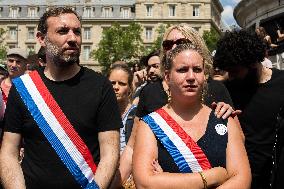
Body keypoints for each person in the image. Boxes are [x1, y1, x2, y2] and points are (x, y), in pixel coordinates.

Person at [0, 7, 121, 189]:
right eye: (63, 31)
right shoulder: (24, 88)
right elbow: (9, 151)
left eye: (77, 32)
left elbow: (110, 154)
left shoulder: (101, 86)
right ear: (42, 39)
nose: (73, 38)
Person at [133, 43, 251, 188]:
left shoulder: (225, 120)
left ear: (205, 75)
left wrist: (167, 181)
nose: (191, 76)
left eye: (197, 69)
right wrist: (212, 176)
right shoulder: (150, 125)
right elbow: (145, 184)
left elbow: (242, 180)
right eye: (182, 70)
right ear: (168, 77)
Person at [214, 29, 284, 189]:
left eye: (235, 71)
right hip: (235, 179)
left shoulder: (282, 83)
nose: (230, 77)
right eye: (228, 72)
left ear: (253, 62)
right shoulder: (226, 90)